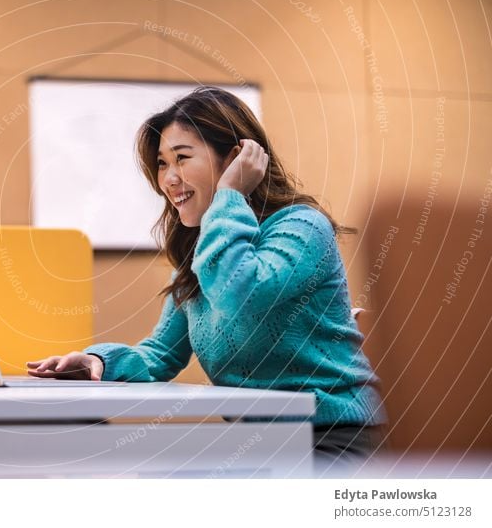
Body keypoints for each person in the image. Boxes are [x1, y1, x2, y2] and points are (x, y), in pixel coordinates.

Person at [26, 86, 386, 465]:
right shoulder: (206, 251)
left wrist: (230, 194)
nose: (168, 179)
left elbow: (241, 297)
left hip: (336, 439)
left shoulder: (303, 228)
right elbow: (160, 354)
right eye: (162, 163)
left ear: (235, 158)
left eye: (181, 158)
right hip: (260, 443)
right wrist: (99, 361)